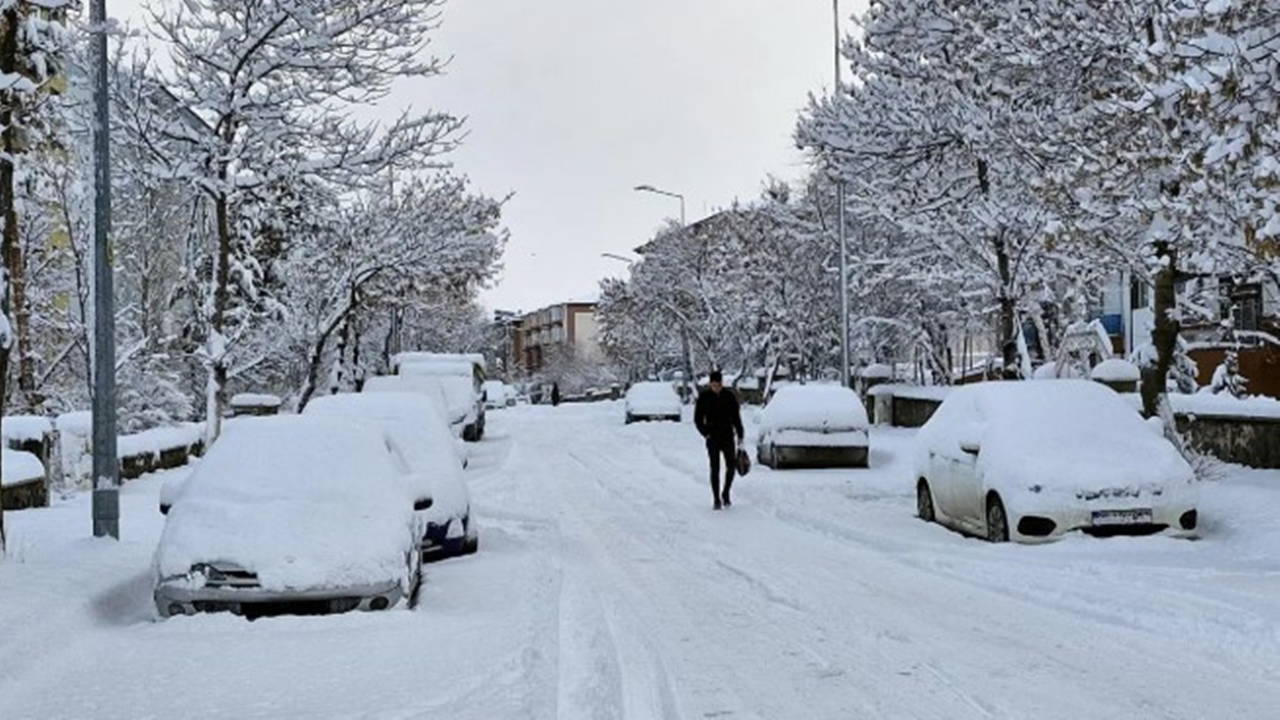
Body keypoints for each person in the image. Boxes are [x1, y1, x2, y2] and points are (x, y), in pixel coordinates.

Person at [694, 371, 744, 510]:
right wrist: (705, 433)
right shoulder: (704, 397)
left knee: (731, 466)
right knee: (714, 467)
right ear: (710, 384)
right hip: (712, 437)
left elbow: (736, 417)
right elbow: (698, 418)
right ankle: (716, 497)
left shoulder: (729, 396)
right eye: (714, 385)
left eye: (718, 384)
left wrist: (740, 434)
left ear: (722, 384)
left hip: (728, 435)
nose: (716, 387)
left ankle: (726, 492)